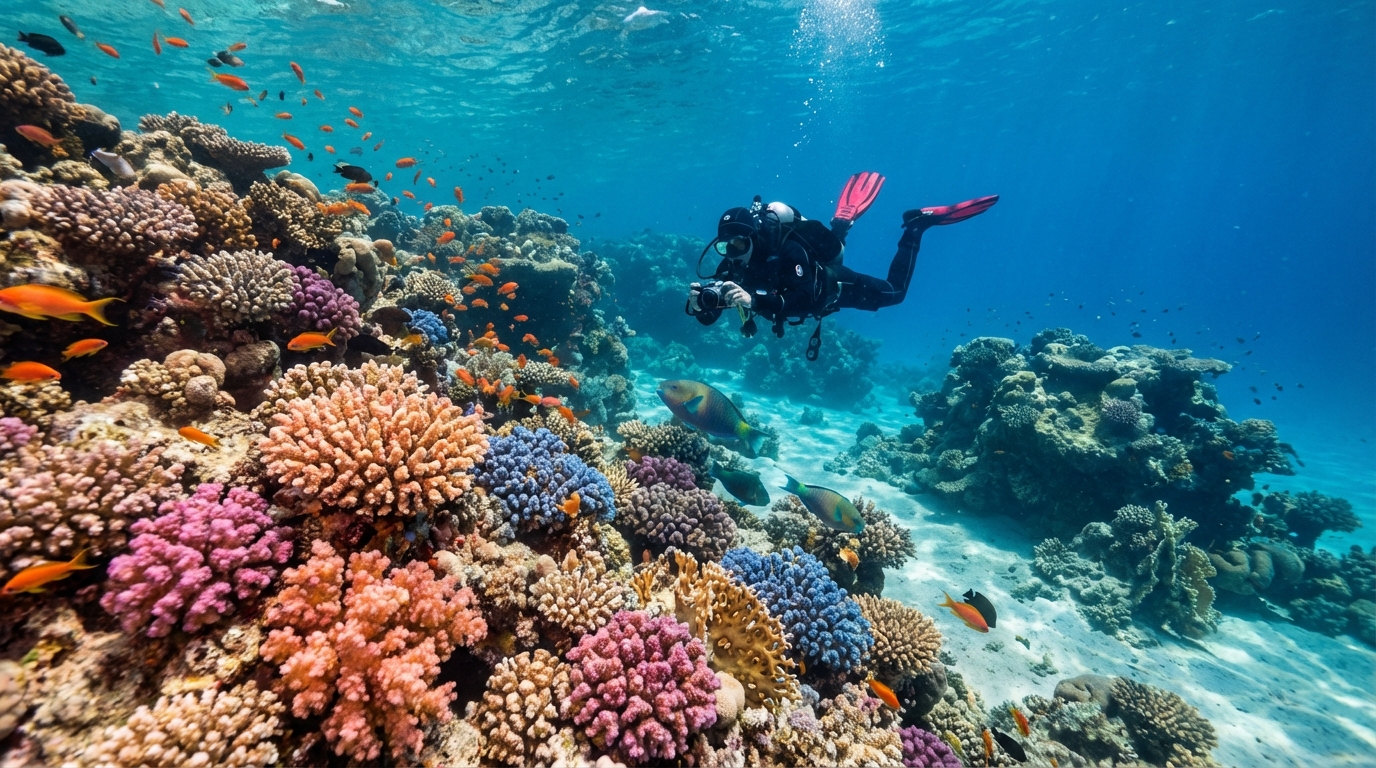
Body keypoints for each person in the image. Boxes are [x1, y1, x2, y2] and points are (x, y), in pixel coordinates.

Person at [687, 172, 997, 359]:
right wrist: (700, 306)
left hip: (830, 286)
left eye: (739, 244)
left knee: (896, 292)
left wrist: (755, 300)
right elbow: (711, 313)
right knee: (834, 244)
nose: (732, 253)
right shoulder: (733, 263)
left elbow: (803, 298)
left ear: (754, 236)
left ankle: (916, 227)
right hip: (800, 281)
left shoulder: (788, 250)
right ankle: (840, 224)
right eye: (725, 246)